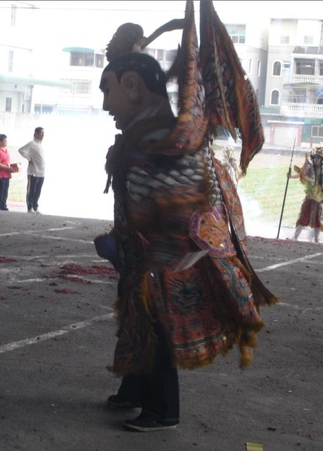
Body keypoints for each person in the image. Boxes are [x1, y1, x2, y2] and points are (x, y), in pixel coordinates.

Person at [94, 12, 277, 432]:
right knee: (135, 317)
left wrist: (165, 253)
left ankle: (163, 410)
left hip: (170, 256)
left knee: (156, 325)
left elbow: (185, 203)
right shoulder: (144, 138)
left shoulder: (169, 140)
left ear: (133, 87)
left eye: (109, 91)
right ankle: (134, 391)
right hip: (143, 250)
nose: (106, 105)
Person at [289, 146, 323, 243]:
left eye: (318, 157)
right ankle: (295, 236)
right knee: (303, 216)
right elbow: (301, 174)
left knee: (318, 220)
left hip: (319, 198)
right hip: (310, 196)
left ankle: (317, 239)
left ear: (322, 159)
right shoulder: (309, 168)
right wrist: (291, 176)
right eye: (314, 157)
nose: (316, 159)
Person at [18, 127, 45, 214]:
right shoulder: (31, 144)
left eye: (43, 133)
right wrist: (29, 159)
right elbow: (21, 150)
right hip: (33, 171)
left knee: (38, 190)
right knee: (32, 189)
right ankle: (30, 207)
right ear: (36, 134)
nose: (43, 135)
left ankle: (35, 206)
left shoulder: (40, 145)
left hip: (41, 172)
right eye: (41, 133)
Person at [0, 133, 15, 211]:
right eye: (4, 141)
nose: (6, 142)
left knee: (5, 191)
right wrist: (8, 168)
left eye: (6, 140)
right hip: (0, 174)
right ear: (0, 142)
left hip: (6, 174)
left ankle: (3, 204)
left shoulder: (6, 150)